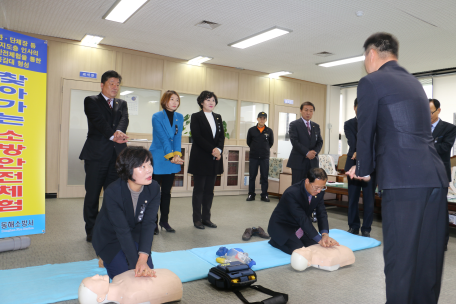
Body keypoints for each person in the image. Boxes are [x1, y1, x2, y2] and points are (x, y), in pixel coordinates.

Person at [347, 33, 448, 304]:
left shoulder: (371, 81)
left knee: (400, 260)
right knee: (428, 258)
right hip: (435, 177)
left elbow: (365, 130)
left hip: (404, 182)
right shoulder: (414, 83)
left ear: (370, 55)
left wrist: (363, 167)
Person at [92, 146, 160, 280]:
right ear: (128, 170)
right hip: (110, 236)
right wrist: (136, 264)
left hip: (135, 234)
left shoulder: (154, 188)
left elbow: (149, 223)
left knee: (146, 273)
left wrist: (143, 258)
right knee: (127, 276)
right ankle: (104, 258)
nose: (149, 170)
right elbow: (122, 231)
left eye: (149, 164)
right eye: (142, 167)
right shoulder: (113, 192)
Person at [79, 70, 129, 242]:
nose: (115, 87)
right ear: (102, 85)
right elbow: (98, 120)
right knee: (92, 194)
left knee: (112, 195)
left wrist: (119, 132)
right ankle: (91, 231)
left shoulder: (121, 103)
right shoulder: (91, 101)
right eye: (112, 83)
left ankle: (108, 228)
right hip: (96, 155)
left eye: (117, 84)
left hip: (116, 156)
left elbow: (124, 120)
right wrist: (113, 135)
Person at [268, 168, 339, 255]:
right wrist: (319, 239)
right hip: (282, 226)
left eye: (322, 187)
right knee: (300, 251)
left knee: (316, 247)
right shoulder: (292, 193)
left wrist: (324, 235)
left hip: (299, 227)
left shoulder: (319, 191)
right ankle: (275, 241)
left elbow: (322, 213)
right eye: (316, 187)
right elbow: (302, 218)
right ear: (307, 181)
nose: (319, 191)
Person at [187, 91, 225, 229]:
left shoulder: (218, 117)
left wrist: (219, 150)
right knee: (199, 190)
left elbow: (221, 137)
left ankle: (206, 219)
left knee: (209, 191)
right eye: (208, 100)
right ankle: (197, 219)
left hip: (214, 159)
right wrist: (213, 150)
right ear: (201, 102)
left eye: (213, 100)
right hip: (201, 158)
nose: (211, 102)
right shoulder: (196, 116)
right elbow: (197, 137)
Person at [149, 90, 184, 234]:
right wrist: (171, 157)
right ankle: (153, 223)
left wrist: (177, 155)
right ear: (165, 101)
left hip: (172, 159)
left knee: (166, 193)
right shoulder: (156, 116)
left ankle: (164, 221)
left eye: (177, 100)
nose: (175, 102)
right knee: (154, 193)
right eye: (172, 99)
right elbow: (163, 138)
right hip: (158, 157)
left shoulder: (179, 117)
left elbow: (177, 138)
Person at [344, 98, 376, 237]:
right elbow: (352, 141)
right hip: (353, 163)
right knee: (353, 198)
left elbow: (375, 142)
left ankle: (366, 228)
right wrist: (361, 150)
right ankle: (353, 226)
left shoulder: (374, 123)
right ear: (354, 107)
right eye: (359, 106)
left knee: (369, 199)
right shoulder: (349, 124)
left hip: (370, 165)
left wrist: (362, 152)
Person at [286, 101, 323, 185]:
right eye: (306, 110)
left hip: (313, 162)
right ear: (301, 110)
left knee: (312, 185)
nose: (308, 113)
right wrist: (307, 152)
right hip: (299, 161)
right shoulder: (294, 124)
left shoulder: (316, 126)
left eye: (311, 110)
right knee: (297, 185)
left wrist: (314, 153)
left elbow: (320, 141)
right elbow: (294, 141)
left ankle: (309, 199)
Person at [246, 111, 274, 202]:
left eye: (264, 118)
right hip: (253, 157)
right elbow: (249, 142)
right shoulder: (251, 130)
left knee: (264, 177)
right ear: (257, 119)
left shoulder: (269, 131)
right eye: (260, 118)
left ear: (266, 120)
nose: (262, 120)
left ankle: (264, 195)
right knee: (252, 176)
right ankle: (251, 194)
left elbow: (271, 143)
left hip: (264, 157)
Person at [429, 98, 456, 181]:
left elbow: (445, 147)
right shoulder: (418, 129)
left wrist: (423, 146)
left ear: (439, 110)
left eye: (431, 112)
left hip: (440, 174)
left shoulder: (449, 128)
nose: (428, 115)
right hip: (421, 174)